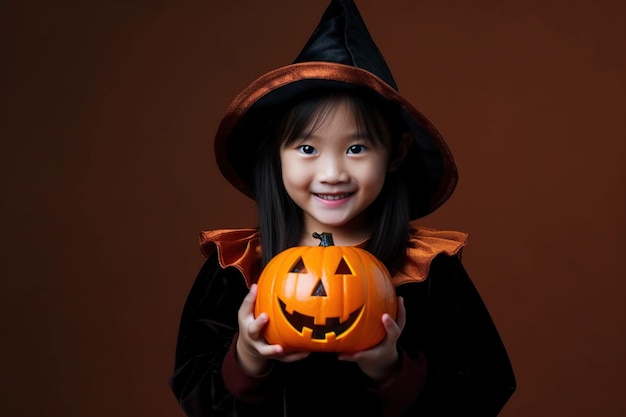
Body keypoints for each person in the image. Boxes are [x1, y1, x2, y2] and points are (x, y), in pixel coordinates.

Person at [169, 1, 516, 416]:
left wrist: (391, 369)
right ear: (276, 154)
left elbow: (484, 392)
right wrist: (246, 357)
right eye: (307, 148)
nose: (332, 173)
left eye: (356, 148)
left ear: (395, 153)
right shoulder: (238, 267)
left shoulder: (426, 270)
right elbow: (197, 395)